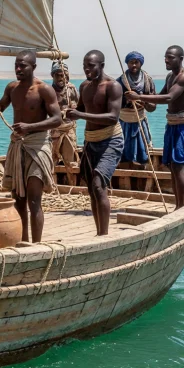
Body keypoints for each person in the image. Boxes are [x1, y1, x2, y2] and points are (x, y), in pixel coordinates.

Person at [0, 50, 63, 242]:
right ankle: (22, 241)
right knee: (19, 199)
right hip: (18, 147)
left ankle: (37, 244)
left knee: (34, 200)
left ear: (34, 67)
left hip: (37, 147)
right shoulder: (12, 88)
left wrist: (29, 127)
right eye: (16, 65)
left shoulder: (44, 89)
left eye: (23, 66)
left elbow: (57, 119)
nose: (18, 69)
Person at [126, 45, 184, 208]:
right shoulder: (169, 77)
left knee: (178, 163)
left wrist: (139, 96)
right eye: (165, 57)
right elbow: (158, 97)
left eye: (170, 57)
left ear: (180, 59)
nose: (166, 60)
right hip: (172, 124)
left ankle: (180, 206)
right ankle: (177, 203)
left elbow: (168, 97)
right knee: (172, 165)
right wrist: (143, 101)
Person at [65, 50, 123, 236]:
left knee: (98, 184)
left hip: (111, 140)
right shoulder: (85, 87)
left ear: (102, 65)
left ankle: (104, 235)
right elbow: (81, 108)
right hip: (91, 141)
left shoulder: (113, 86)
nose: (87, 69)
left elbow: (113, 117)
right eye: (84, 66)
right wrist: (68, 112)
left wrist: (80, 115)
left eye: (91, 66)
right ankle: (99, 232)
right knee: (91, 188)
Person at [117, 51, 157, 165]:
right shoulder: (120, 82)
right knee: (122, 151)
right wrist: (126, 100)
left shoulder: (148, 81)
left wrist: (143, 102)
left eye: (136, 62)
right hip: (124, 122)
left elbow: (153, 106)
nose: (134, 65)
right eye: (131, 62)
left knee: (143, 153)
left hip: (140, 121)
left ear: (141, 63)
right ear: (127, 63)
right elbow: (113, 104)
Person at [49, 62, 80, 177]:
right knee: (50, 161)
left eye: (63, 75)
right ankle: (50, 187)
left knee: (71, 162)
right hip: (53, 131)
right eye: (57, 75)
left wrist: (70, 110)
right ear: (52, 76)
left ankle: (72, 185)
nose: (61, 78)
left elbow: (80, 107)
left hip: (68, 130)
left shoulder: (72, 90)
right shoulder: (48, 91)